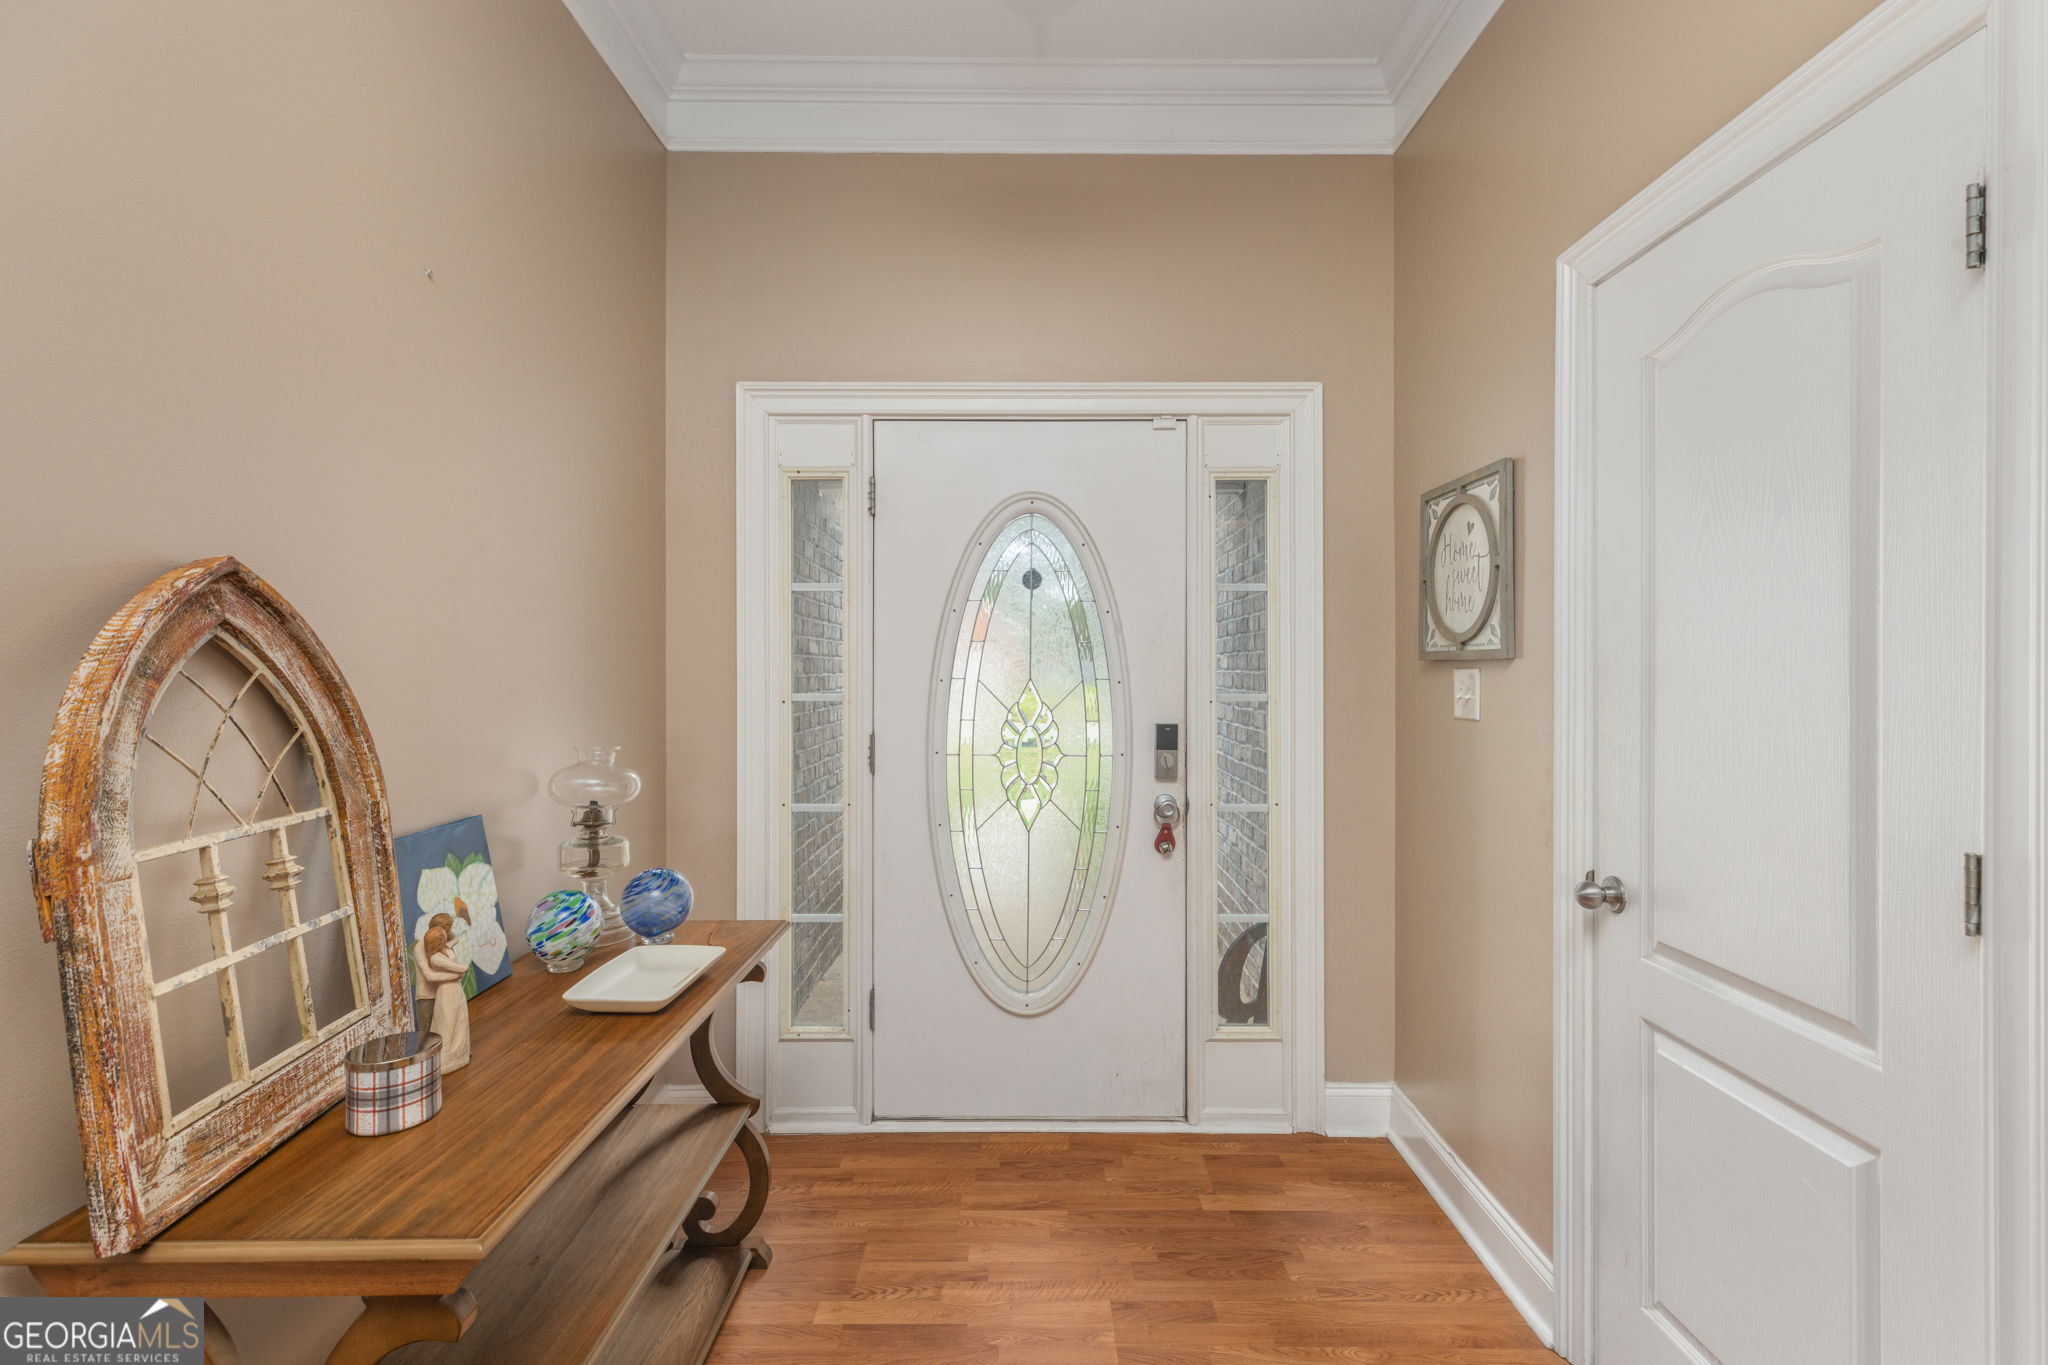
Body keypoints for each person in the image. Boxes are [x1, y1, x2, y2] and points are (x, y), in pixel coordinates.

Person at [412, 913, 470, 1071]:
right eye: (447, 928)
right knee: (428, 1030)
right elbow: (429, 975)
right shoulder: (421, 947)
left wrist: (448, 939)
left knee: (448, 1023)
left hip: (441, 990)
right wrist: (454, 975)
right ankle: (427, 1063)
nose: (450, 931)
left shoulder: (440, 944)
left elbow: (455, 938)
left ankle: (456, 1053)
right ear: (440, 929)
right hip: (427, 994)